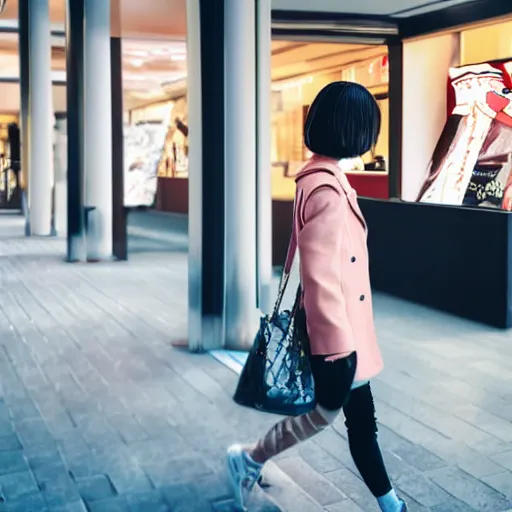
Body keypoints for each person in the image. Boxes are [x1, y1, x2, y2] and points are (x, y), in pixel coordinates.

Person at [226, 81, 407, 512]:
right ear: (355, 130)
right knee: (326, 416)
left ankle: (392, 505)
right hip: (337, 337)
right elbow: (320, 272)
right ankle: (248, 457)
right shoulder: (326, 187)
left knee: (360, 423)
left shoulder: (321, 178)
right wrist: (337, 347)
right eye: (369, 126)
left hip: (343, 333)